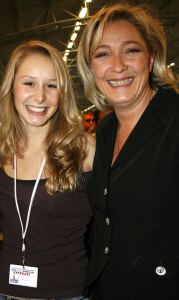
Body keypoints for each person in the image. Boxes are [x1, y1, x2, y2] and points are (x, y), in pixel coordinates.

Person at [77, 3, 179, 299]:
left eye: (131, 50)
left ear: (150, 59)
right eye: (103, 54)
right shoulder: (106, 129)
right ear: (92, 67)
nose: (118, 65)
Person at [0, 40, 95, 300]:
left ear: (63, 93)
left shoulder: (86, 150)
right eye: (29, 83)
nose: (40, 96)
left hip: (67, 293)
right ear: (11, 87)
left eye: (51, 85)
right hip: (3, 292)